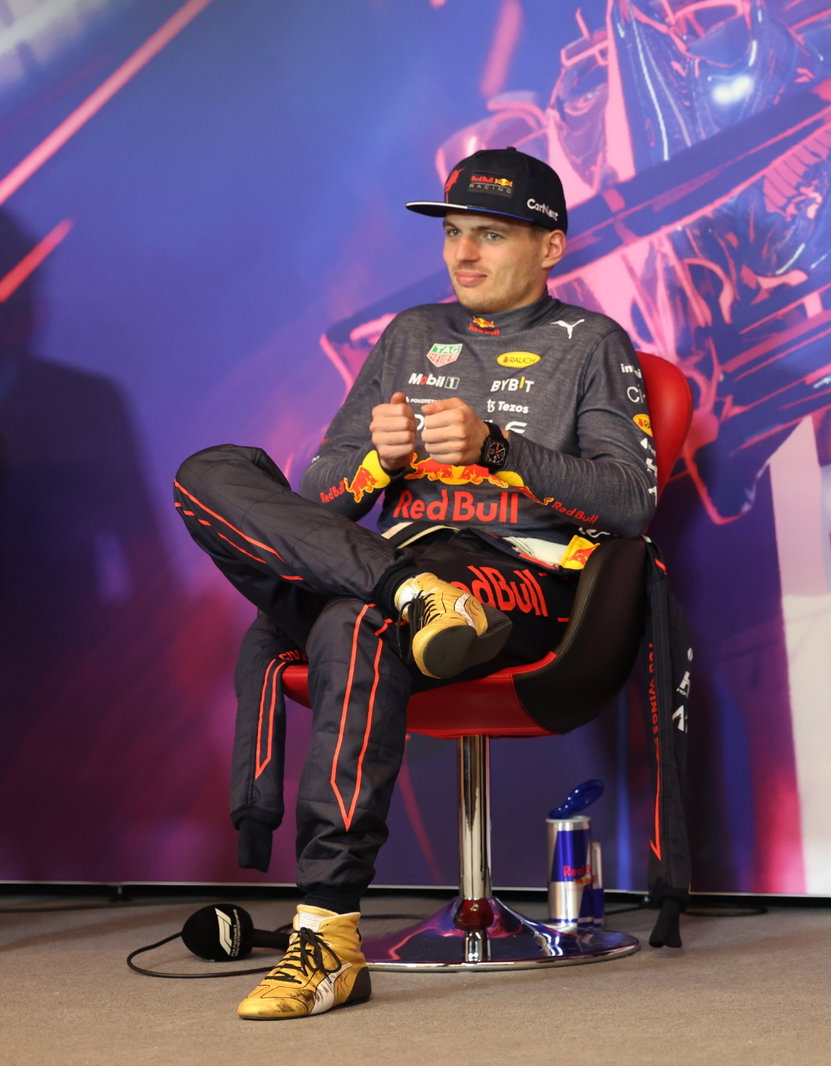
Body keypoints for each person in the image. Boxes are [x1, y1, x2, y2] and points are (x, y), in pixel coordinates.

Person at [174, 148, 657, 1020]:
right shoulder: (408, 335)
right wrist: (374, 460)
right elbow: (317, 493)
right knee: (212, 470)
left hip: (513, 585)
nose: (462, 255)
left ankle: (324, 938)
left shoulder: (591, 344)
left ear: (550, 248)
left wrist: (500, 451)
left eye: (491, 236)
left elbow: (630, 501)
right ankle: (400, 588)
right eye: (454, 234)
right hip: (396, 571)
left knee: (352, 621)